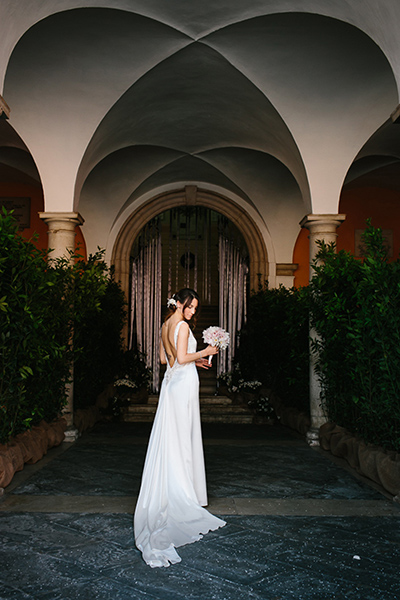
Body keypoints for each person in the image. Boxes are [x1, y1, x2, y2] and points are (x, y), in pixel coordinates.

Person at [134, 288, 226, 568]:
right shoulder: (183, 325)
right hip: (183, 385)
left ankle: (175, 487)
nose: (194, 311)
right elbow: (181, 358)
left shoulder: (165, 325)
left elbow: (166, 360)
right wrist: (206, 351)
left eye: (196, 307)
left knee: (171, 438)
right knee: (183, 439)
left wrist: (194, 359)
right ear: (182, 304)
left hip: (171, 384)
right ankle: (185, 494)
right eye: (192, 306)